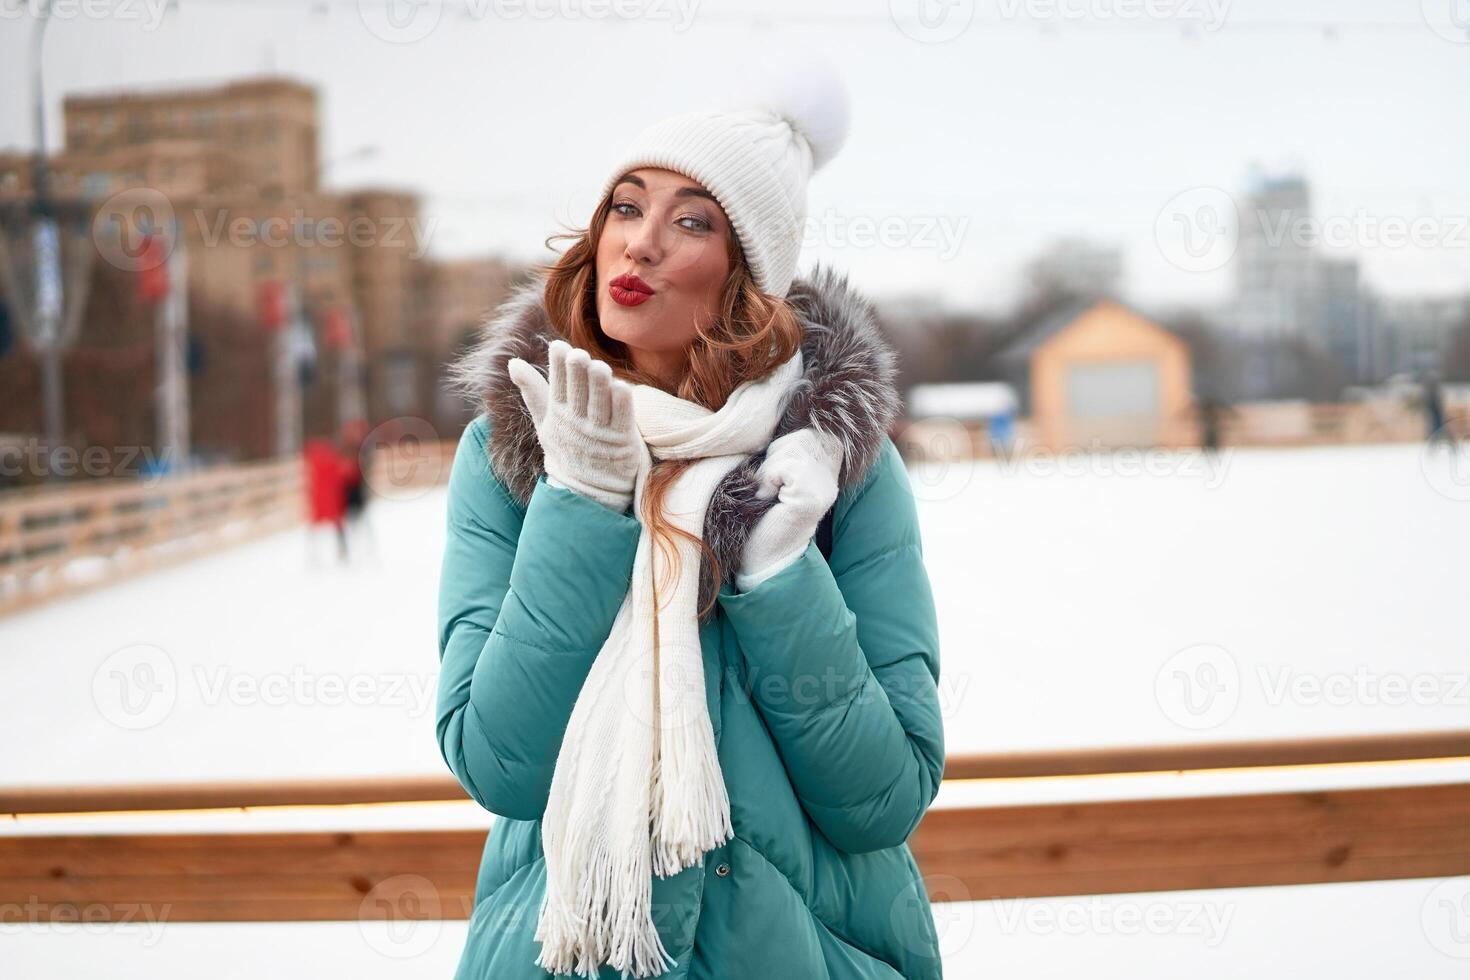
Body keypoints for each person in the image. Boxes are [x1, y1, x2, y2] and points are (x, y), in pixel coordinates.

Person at [436, 66, 945, 980]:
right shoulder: (510, 454)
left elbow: (880, 801)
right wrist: (581, 508)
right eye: (625, 209)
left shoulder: (835, 470)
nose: (641, 246)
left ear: (749, 271)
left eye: (693, 221)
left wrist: (780, 578)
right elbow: (500, 763)